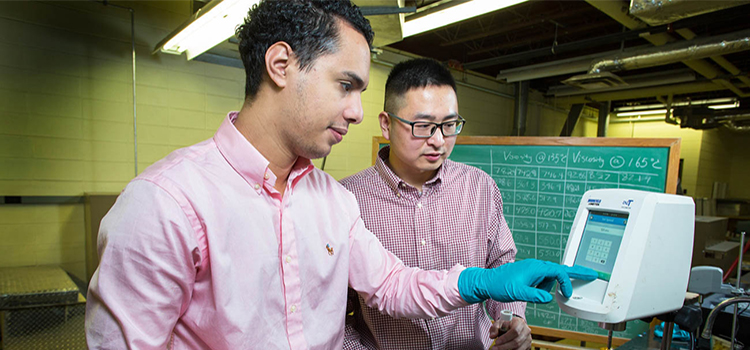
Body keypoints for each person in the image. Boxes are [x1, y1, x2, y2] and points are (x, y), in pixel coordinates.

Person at [84, 1, 597, 349]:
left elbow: (392, 286)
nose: (356, 111)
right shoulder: (166, 203)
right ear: (282, 65)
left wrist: (482, 281)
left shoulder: (331, 201)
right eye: (346, 85)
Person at [340, 58, 531, 350]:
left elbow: (501, 265)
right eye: (424, 126)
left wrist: (512, 318)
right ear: (387, 124)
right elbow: (337, 316)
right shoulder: (348, 199)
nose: (439, 141)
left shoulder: (479, 188)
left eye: (450, 125)